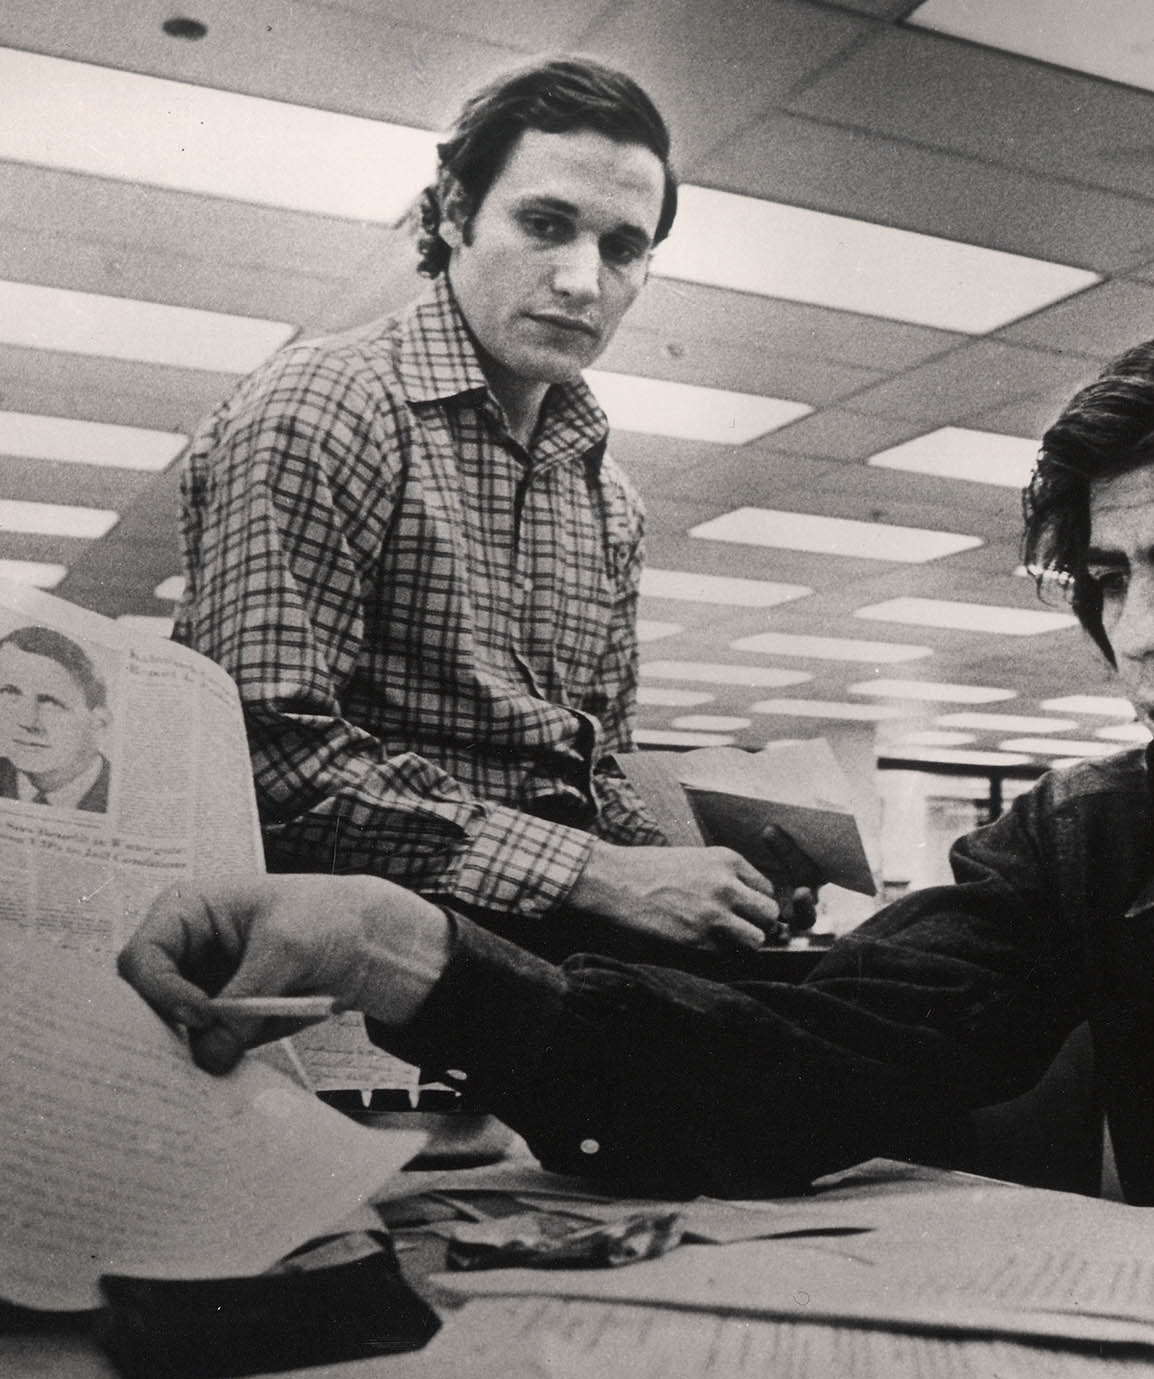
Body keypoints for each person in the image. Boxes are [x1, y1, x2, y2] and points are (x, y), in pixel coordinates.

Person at [125, 307, 1154, 1299]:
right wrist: (401, 949)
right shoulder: (1103, 834)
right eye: (1111, 579)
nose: (1143, 635)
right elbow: (802, 1072)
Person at [174, 56, 805, 965]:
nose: (584, 281)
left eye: (622, 248)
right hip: (350, 972)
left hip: (536, 977)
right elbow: (270, 765)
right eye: (546, 225)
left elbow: (597, 769)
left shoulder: (607, 494)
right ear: (453, 213)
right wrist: (594, 873)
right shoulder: (329, 405)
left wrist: (708, 873)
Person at [0, 626, 114, 813]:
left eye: (50, 702)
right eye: (10, 691)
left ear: (99, 722)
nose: (27, 721)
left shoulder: (123, 796)